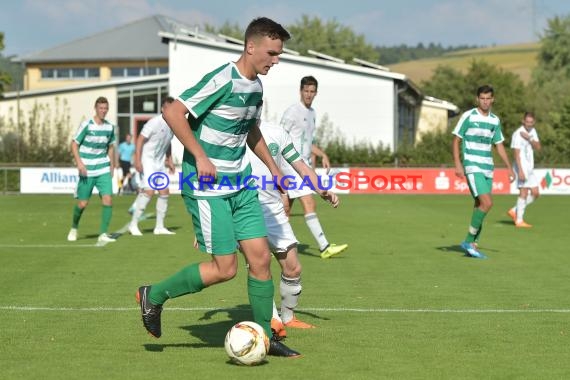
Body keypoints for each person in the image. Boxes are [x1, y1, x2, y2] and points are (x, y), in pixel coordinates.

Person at [135, 17, 300, 357]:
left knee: (260, 260)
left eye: (279, 54)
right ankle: (154, 295)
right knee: (225, 269)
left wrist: (273, 170)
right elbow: (173, 112)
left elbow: (250, 130)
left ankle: (268, 338)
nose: (275, 60)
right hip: (207, 187)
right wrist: (200, 156)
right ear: (250, 47)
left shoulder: (256, 88)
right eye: (271, 53)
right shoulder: (223, 79)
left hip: (242, 185)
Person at [247, 121, 340, 338]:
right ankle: (269, 319)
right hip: (243, 208)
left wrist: (321, 189)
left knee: (293, 268)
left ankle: (288, 317)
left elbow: (301, 165)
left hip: (273, 210)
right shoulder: (233, 131)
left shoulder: (277, 133)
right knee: (259, 265)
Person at [280, 75, 348, 259]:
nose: (309, 95)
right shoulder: (292, 112)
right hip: (290, 165)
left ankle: (275, 245)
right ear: (300, 91)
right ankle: (324, 247)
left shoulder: (312, 113)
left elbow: (308, 143)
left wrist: (322, 154)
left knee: (284, 209)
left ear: (316, 93)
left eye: (312, 92)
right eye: (306, 91)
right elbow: (279, 138)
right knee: (309, 202)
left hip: (304, 165)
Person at [452, 84, 515, 259]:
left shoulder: (495, 120)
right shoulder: (469, 116)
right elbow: (456, 140)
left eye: (488, 98)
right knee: (487, 203)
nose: (485, 101)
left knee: (479, 205)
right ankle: (468, 240)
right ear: (477, 99)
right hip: (472, 165)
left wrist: (509, 167)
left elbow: (499, 145)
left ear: (493, 99)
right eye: (482, 98)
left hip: (488, 167)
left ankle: (472, 245)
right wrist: (458, 164)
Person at [67, 96, 117, 243]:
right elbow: (74, 144)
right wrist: (79, 164)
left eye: (106, 108)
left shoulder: (110, 127)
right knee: (83, 203)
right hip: (87, 170)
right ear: (95, 109)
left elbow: (111, 146)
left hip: (103, 168)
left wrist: (112, 165)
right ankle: (74, 227)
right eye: (101, 108)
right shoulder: (87, 125)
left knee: (108, 199)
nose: (103, 111)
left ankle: (103, 234)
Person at [128, 97, 177, 236]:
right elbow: (140, 140)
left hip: (159, 162)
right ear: (162, 108)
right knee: (149, 191)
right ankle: (133, 224)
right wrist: (137, 160)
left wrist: (170, 160)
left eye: (172, 108)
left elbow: (168, 143)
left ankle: (159, 227)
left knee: (164, 192)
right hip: (147, 161)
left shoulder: (173, 124)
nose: (170, 111)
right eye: (168, 108)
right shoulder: (154, 122)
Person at [507, 112, 541, 227]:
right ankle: (519, 220)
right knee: (524, 191)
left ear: (534, 122)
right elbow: (516, 154)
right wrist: (520, 170)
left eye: (531, 122)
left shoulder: (532, 132)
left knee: (536, 193)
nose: (529, 124)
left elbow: (538, 147)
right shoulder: (517, 134)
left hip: (529, 167)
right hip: (521, 166)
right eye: (527, 122)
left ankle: (515, 210)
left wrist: (530, 138)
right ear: (523, 121)